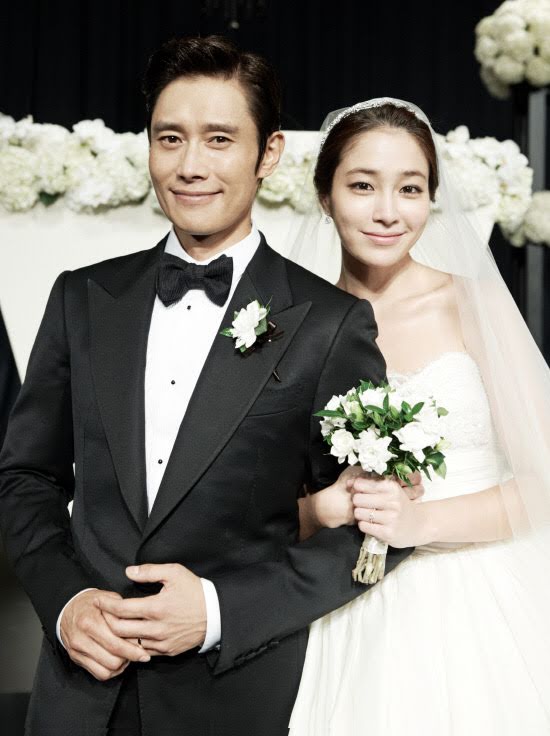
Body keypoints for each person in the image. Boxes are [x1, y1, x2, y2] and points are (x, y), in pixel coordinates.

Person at [0, 42, 416, 735]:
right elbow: (25, 477)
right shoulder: (82, 297)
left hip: (236, 697)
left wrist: (221, 610)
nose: (190, 165)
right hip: (78, 696)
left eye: (219, 139)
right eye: (170, 138)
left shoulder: (330, 324)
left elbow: (378, 532)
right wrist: (66, 604)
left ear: (269, 152)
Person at [288, 98, 550, 736]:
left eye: (409, 188)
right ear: (325, 196)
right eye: (362, 186)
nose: (388, 211)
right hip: (339, 601)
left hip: (480, 593)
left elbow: (545, 482)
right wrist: (322, 508)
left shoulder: (471, 302)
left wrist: (421, 522)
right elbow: (253, 505)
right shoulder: (294, 327)